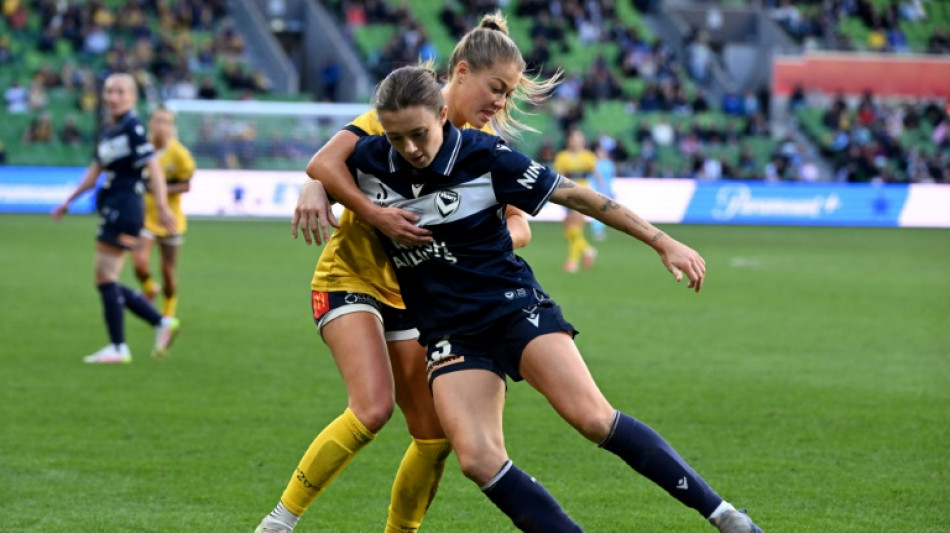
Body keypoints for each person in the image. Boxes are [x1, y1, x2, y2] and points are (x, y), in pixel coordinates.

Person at [346, 65, 765, 533]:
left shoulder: (486, 157)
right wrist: (312, 186)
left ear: (443, 114)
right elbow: (324, 167)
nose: (409, 149)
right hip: (450, 332)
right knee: (479, 460)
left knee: (592, 419)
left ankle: (726, 516)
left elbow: (580, 198)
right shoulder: (368, 160)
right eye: (395, 137)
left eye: (418, 134)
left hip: (512, 308)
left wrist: (661, 240)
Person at [256, 13, 555, 533]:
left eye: (506, 97)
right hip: (349, 278)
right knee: (371, 409)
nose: (499, 106)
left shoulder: (482, 148)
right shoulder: (400, 110)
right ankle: (279, 523)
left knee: (434, 438)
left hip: (419, 298)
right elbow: (326, 163)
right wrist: (328, 192)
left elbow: (519, 225)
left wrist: (475, 238)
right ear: (461, 75)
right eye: (496, 91)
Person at [52, 73, 181, 364]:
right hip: (114, 207)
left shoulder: (133, 128)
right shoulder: (110, 130)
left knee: (105, 278)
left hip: (125, 208)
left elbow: (154, 168)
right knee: (105, 278)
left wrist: (161, 206)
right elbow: (94, 172)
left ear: (132, 97)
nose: (113, 97)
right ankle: (158, 323)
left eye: (120, 92)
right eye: (109, 91)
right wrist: (68, 202)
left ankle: (121, 346)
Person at [131, 106, 196, 318]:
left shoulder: (179, 154)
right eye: (158, 121)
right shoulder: (141, 148)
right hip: (145, 217)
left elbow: (186, 185)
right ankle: (149, 288)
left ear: (172, 127)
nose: (161, 126)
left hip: (170, 219)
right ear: (150, 123)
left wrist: (161, 189)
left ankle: (168, 313)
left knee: (168, 271)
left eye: (166, 122)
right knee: (139, 263)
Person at [554, 129, 601, 272]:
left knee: (576, 226)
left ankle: (573, 262)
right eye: (574, 138)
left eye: (579, 138)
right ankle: (586, 250)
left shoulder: (588, 156)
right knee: (569, 231)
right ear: (569, 141)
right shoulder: (562, 156)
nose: (576, 141)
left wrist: (603, 191)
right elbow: (559, 176)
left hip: (583, 194)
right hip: (567, 193)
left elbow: (595, 173)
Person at [589, 143, 617, 241]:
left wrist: (609, 190)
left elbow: (610, 177)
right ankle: (597, 231)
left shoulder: (609, 163)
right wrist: (602, 188)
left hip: (607, 189)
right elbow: (596, 176)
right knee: (598, 210)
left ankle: (602, 229)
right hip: (597, 189)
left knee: (606, 211)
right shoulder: (594, 163)